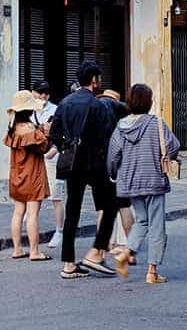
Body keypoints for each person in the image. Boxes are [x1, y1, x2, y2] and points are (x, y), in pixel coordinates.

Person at [48, 63, 119, 280]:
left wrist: (65, 147)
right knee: (110, 205)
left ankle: (69, 264)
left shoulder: (65, 103)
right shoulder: (98, 106)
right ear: (95, 80)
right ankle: (96, 252)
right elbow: (107, 137)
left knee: (72, 212)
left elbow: (54, 135)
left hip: (72, 163)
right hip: (95, 163)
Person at [107, 84, 180, 284]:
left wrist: (114, 174)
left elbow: (113, 155)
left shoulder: (121, 126)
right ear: (148, 102)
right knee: (156, 225)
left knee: (142, 220)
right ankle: (152, 272)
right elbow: (173, 146)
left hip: (130, 181)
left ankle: (126, 253)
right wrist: (164, 156)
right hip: (154, 180)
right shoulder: (156, 123)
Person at [4, 90, 52, 261]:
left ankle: (17, 249)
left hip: (16, 175)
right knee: (32, 214)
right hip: (32, 176)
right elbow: (43, 147)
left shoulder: (13, 128)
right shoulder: (30, 129)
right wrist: (46, 132)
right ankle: (34, 251)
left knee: (18, 212)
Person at [98, 88, 136, 255]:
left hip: (103, 166)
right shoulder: (125, 124)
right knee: (124, 205)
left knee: (102, 206)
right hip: (122, 168)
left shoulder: (99, 119)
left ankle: (103, 244)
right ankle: (130, 245)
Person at [32, 81, 66, 248]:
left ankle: (59, 231)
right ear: (34, 93)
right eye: (40, 93)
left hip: (52, 158)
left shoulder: (55, 110)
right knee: (34, 194)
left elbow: (61, 134)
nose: (43, 96)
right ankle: (30, 221)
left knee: (56, 195)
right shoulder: (28, 110)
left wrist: (55, 149)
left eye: (46, 93)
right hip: (35, 158)